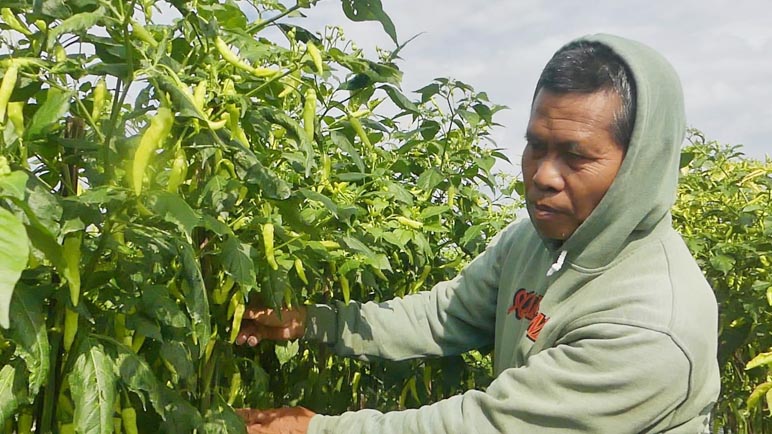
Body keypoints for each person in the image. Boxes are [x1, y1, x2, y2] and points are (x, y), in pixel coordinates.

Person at [235, 33, 720, 433]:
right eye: (535, 146)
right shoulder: (533, 241)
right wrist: (309, 321)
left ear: (640, 164)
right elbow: (443, 315)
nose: (543, 175)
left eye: (575, 155)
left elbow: (489, 425)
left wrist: (316, 430)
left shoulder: (652, 326)